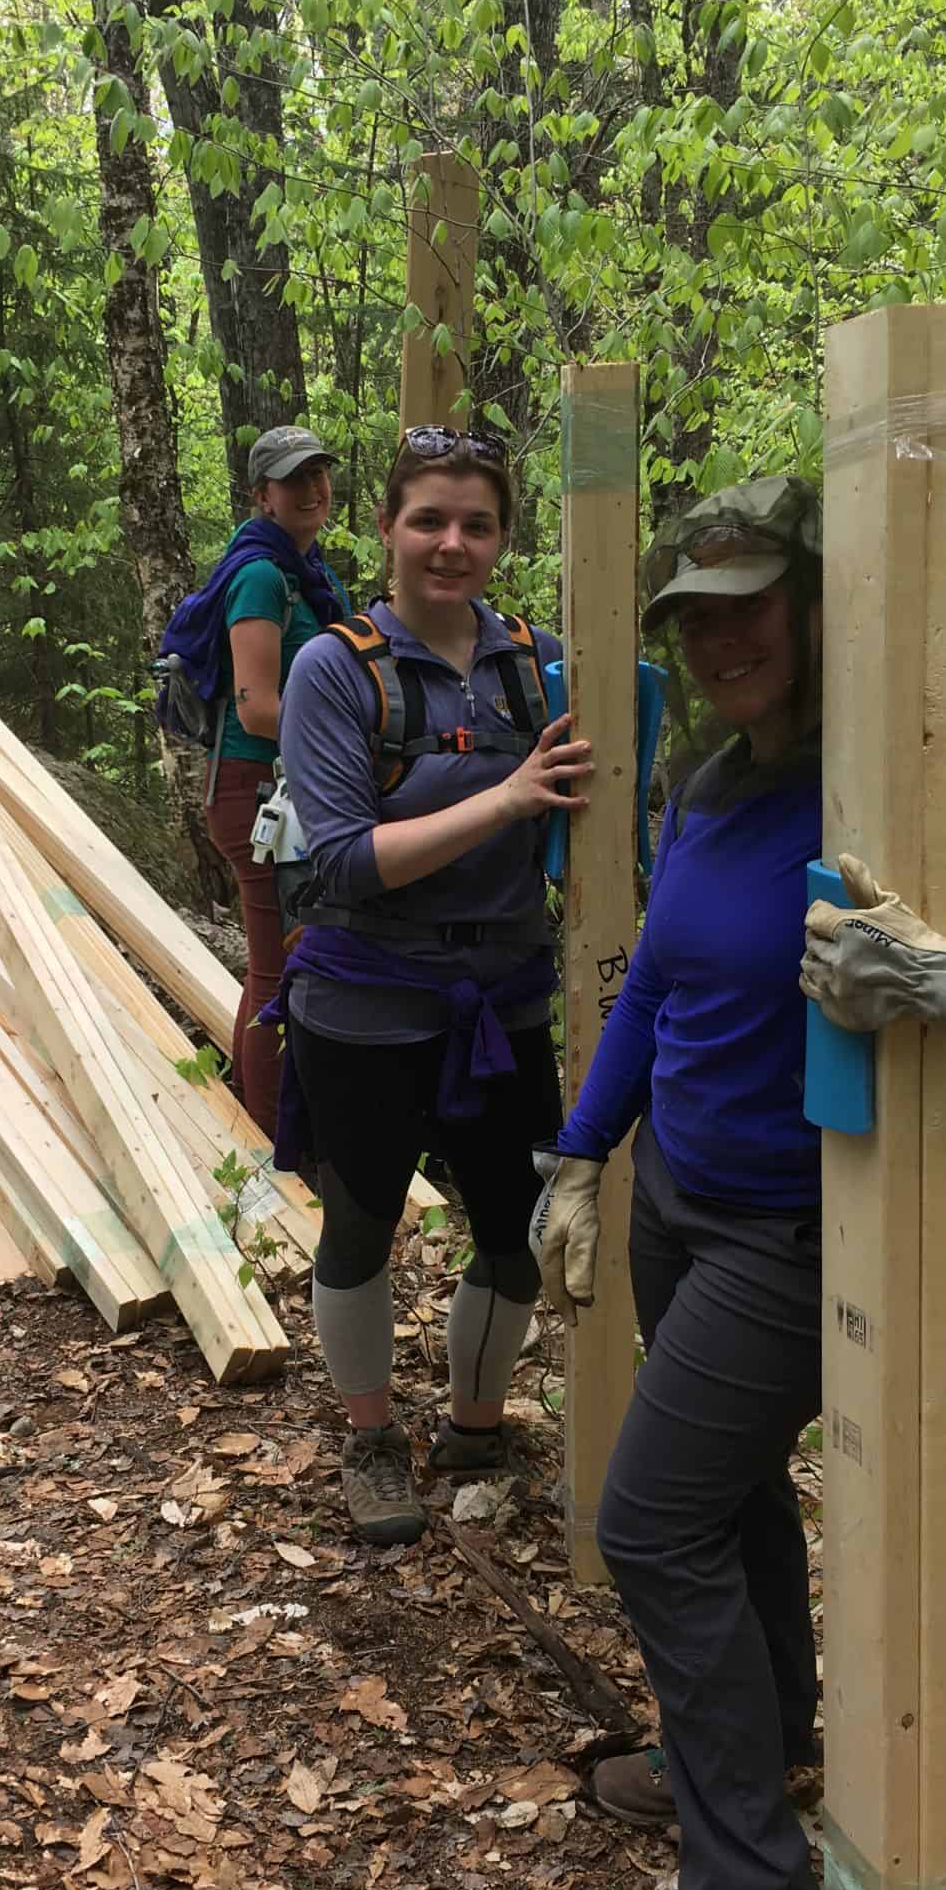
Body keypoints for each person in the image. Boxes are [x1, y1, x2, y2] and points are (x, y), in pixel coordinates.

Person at [531, 474, 946, 1890]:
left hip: (794, 1243)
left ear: (809, 608)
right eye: (694, 620)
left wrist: (943, 978)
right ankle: (755, 1739)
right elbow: (655, 987)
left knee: (648, 1524)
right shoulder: (709, 781)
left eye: (748, 608)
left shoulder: (902, 791)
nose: (722, 640)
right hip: (679, 1206)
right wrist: (582, 1151)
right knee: (719, 1505)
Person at [271, 430, 593, 1546]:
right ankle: (371, 1440)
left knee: (517, 1232)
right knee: (362, 1224)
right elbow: (340, 862)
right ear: (387, 527)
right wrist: (506, 797)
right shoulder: (334, 669)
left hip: (503, 1000)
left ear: (502, 538)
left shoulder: (541, 663)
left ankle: (474, 1426)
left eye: (477, 524)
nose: (452, 544)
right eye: (429, 521)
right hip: (365, 1001)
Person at [203, 426, 351, 1136]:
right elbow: (257, 708)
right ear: (263, 495)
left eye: (319, 474)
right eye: (295, 480)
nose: (313, 489)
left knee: (281, 964)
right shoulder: (262, 576)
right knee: (276, 971)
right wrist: (351, 731)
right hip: (259, 797)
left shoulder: (309, 573)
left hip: (293, 793)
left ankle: (263, 1118)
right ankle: (264, 1138)